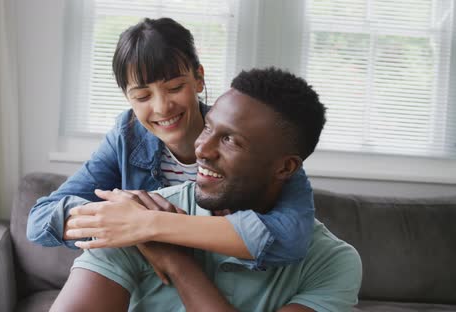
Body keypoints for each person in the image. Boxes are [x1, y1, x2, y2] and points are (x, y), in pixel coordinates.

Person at [50, 68, 362, 312]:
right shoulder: (134, 217)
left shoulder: (332, 262)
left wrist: (177, 263)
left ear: (285, 168)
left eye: (231, 140)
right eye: (209, 127)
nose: (202, 149)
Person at [27, 17, 314, 272]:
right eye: (142, 97)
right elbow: (40, 220)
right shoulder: (127, 137)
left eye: (175, 88)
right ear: (128, 98)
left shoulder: (254, 139)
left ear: (199, 78)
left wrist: (148, 225)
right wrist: (128, 227)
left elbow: (289, 239)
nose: (162, 107)